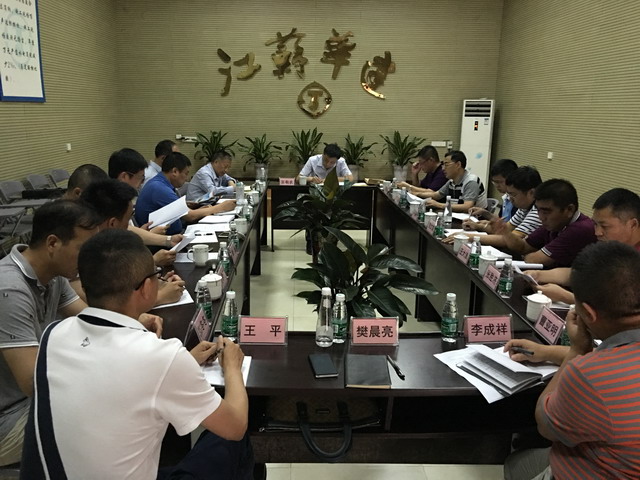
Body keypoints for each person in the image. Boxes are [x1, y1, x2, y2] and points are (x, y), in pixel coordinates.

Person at [21, 229, 253, 479]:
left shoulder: (53, 334)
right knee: (231, 442)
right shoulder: (162, 355)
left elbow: (112, 374)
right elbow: (235, 426)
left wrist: (186, 361)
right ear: (146, 287)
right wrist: (232, 368)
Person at [504, 242, 640, 479]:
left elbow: (546, 425)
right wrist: (548, 352)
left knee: (516, 464)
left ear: (588, 313)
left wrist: (576, 350)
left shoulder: (590, 375)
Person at [0, 200, 101, 466]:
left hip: (29, 402)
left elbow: (90, 322)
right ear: (53, 243)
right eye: (82, 250)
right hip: (8, 419)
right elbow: (32, 382)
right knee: (106, 407)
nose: (89, 260)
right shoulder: (9, 290)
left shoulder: (53, 276)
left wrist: (134, 321)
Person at [523, 188, 640, 303]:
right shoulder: (612, 247)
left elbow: (620, 308)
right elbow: (582, 273)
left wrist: (567, 297)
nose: (597, 232)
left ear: (632, 225)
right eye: (595, 224)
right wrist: (538, 275)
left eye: (605, 226)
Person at [80, 179, 186, 306]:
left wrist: (153, 284)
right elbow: (99, 308)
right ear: (113, 223)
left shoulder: (99, 232)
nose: (129, 225)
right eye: (129, 218)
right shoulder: (81, 251)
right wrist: (159, 297)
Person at [492, 179, 596, 268]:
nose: (541, 217)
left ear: (569, 210)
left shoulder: (580, 229)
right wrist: (506, 232)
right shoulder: (554, 224)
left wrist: (528, 255)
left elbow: (533, 260)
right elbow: (523, 247)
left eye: (546, 212)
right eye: (538, 210)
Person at [108, 147, 185, 260]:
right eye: (141, 178)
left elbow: (128, 230)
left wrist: (169, 240)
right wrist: (154, 261)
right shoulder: (109, 205)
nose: (141, 184)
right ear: (124, 176)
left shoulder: (121, 198)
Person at [135, 151, 236, 235]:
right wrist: (220, 207)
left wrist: (191, 207)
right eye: (186, 173)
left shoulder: (160, 183)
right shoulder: (159, 188)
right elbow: (189, 216)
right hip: (163, 242)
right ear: (175, 171)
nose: (187, 178)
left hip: (176, 232)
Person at [444, 166, 542, 247]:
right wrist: (478, 226)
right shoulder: (524, 208)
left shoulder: (538, 212)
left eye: (513, 195)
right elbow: (505, 229)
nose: (510, 199)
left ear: (531, 193)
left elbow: (510, 240)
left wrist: (469, 237)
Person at [420, 150, 488, 211]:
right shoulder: (451, 181)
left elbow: (467, 206)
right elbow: (436, 195)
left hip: (476, 219)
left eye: (446, 164)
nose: (443, 168)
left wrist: (438, 205)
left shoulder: (471, 181)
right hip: (458, 216)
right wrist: (416, 194)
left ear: (458, 165)